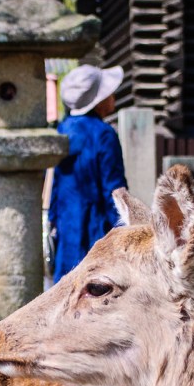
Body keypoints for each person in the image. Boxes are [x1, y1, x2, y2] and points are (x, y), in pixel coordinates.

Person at [49, 64, 127, 282]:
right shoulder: (104, 134)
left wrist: (53, 217)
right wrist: (123, 231)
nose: (113, 95)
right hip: (96, 224)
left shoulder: (63, 130)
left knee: (65, 286)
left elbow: (56, 183)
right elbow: (114, 191)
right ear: (98, 100)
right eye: (108, 92)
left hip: (66, 221)